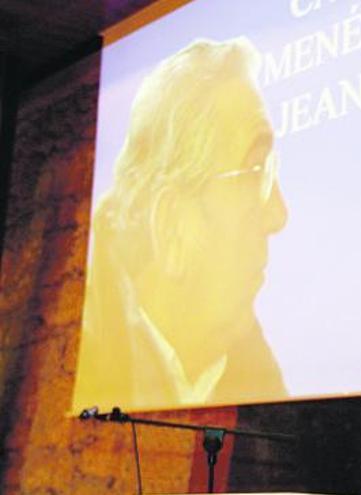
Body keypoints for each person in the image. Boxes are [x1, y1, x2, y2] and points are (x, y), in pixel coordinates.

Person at [72, 38, 289, 412]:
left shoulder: (259, 382)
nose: (279, 215)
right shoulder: (89, 351)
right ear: (173, 224)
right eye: (256, 171)